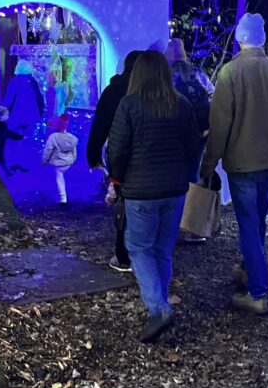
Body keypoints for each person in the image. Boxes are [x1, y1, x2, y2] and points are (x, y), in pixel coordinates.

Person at [200, 13, 268, 316]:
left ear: (241, 37)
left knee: (249, 227)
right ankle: (249, 270)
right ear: (262, 39)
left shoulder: (230, 73)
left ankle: (258, 292)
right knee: (258, 223)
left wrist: (209, 162)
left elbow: (220, 124)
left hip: (242, 164)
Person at [106, 51, 199, 342]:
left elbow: (117, 149)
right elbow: (194, 146)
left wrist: (116, 180)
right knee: (162, 248)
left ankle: (158, 308)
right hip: (174, 190)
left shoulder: (129, 105)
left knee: (139, 248)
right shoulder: (181, 105)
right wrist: (188, 175)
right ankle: (160, 299)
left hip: (140, 190)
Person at [87, 50, 143, 272]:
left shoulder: (114, 91)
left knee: (124, 202)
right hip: (146, 157)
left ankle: (123, 255)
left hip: (120, 154)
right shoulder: (151, 92)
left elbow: (100, 124)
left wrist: (93, 155)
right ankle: (141, 254)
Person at [166, 38, 212, 244]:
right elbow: (213, 95)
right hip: (200, 134)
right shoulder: (198, 74)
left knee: (171, 177)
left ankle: (170, 225)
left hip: (174, 135)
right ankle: (193, 228)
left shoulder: (166, 76)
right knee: (193, 177)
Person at [42, 113, 78, 205]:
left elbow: (48, 150)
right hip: (69, 163)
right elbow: (74, 153)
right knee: (65, 179)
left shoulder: (53, 137)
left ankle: (63, 198)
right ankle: (70, 196)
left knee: (59, 179)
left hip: (58, 165)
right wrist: (72, 161)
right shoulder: (72, 138)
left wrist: (44, 162)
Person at [0, 106, 24, 175]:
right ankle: (7, 173)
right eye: (6, 114)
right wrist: (20, 137)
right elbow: (7, 133)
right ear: (1, 116)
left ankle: (7, 172)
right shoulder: (0, 125)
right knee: (0, 159)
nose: (8, 116)